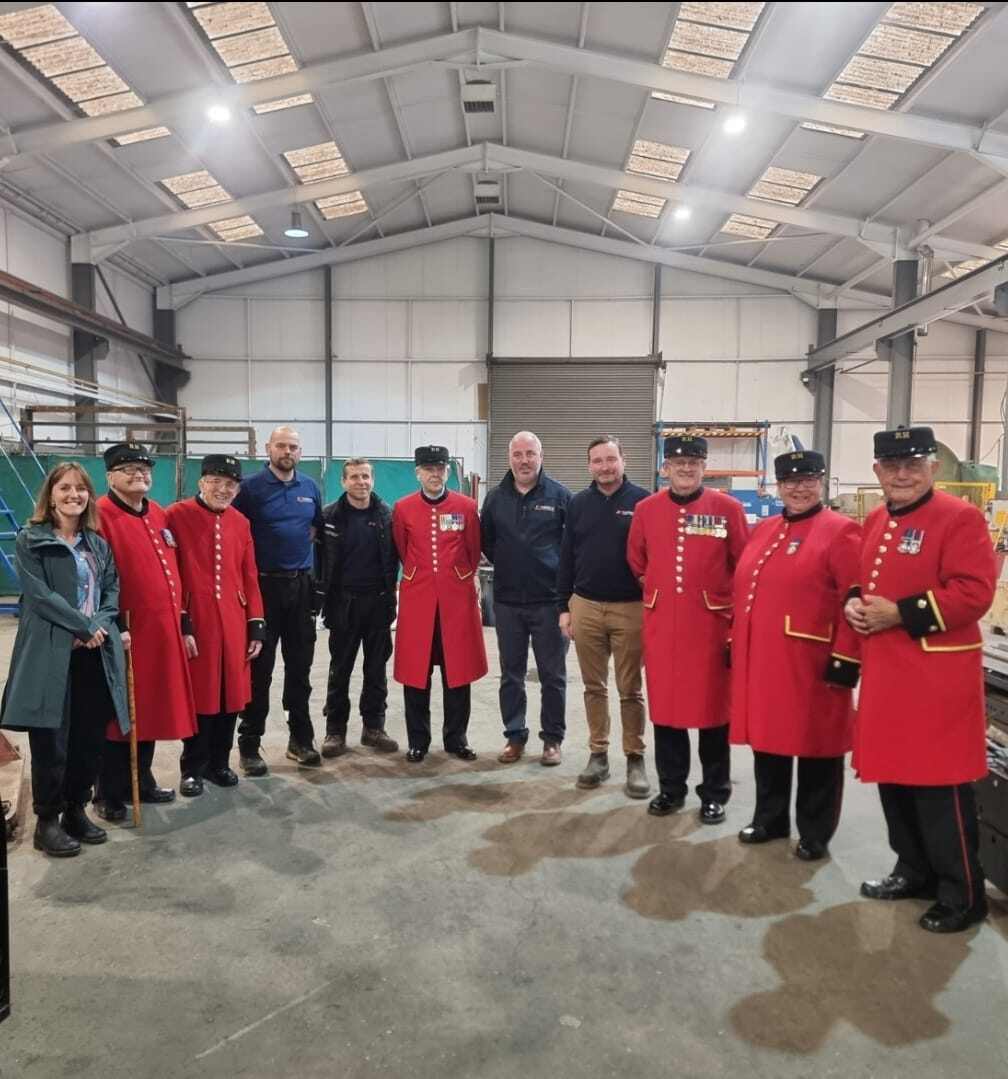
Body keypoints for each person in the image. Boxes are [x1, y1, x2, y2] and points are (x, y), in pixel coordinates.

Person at [847, 425, 996, 933]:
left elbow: (975, 593)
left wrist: (901, 613)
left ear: (932, 467)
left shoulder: (960, 518)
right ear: (877, 471)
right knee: (895, 778)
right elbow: (864, 579)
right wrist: (853, 600)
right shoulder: (875, 520)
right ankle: (913, 870)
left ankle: (963, 893)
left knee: (939, 787)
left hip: (937, 678)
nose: (903, 474)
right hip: (889, 673)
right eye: (892, 466)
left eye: (914, 463)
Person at [729, 450, 862, 858]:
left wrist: (846, 659)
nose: (799, 488)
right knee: (769, 742)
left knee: (817, 746)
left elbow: (857, 601)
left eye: (808, 479)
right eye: (790, 481)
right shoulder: (765, 529)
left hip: (814, 663)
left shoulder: (842, 531)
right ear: (778, 485)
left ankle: (815, 831)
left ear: (821, 481)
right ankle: (770, 819)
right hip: (767, 661)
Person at [0, 463, 128, 856]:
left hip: (94, 654)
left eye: (81, 489)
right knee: (51, 742)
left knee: (87, 739)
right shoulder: (31, 539)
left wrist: (100, 624)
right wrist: (82, 627)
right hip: (51, 655)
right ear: (50, 495)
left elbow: (111, 589)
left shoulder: (97, 544)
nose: (74, 495)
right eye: (65, 488)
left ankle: (76, 808)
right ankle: (48, 820)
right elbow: (39, 597)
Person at [626, 435, 748, 823]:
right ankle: (671, 788)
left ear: (704, 467)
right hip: (662, 625)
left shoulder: (727, 508)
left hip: (711, 626)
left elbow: (742, 563)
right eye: (678, 463)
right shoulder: (646, 509)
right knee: (667, 712)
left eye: (694, 462)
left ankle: (714, 793)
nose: (686, 468)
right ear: (665, 468)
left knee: (714, 713)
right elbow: (636, 559)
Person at [95, 443, 196, 820]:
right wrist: (113, 623)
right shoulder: (100, 515)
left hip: (161, 630)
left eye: (144, 468)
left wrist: (182, 621)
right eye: (128, 468)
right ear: (110, 476)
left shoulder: (156, 512)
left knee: (148, 706)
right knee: (117, 712)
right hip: (124, 630)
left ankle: (143, 778)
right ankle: (107, 792)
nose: (139, 474)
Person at [165, 455, 265, 795]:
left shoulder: (241, 522)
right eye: (216, 482)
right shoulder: (175, 516)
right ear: (201, 482)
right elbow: (170, 572)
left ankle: (219, 763)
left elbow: (249, 575)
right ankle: (192, 767)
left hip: (235, 622)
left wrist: (256, 624)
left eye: (231, 484)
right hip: (198, 620)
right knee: (201, 696)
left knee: (232, 696)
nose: (223, 489)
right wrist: (181, 618)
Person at [557, 436, 650, 797]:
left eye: (611, 459)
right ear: (589, 466)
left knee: (631, 688)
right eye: (597, 461)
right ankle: (599, 753)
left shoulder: (644, 501)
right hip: (586, 606)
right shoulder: (578, 504)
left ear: (623, 461)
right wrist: (563, 606)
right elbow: (566, 556)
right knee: (593, 687)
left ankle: (635, 756)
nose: (605, 467)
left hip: (631, 607)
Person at [233, 426, 325, 773]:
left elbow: (313, 530)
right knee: (260, 670)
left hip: (299, 588)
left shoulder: (310, 487)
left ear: (300, 453)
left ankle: (300, 740)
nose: (288, 451)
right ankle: (249, 744)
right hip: (262, 589)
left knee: (300, 669)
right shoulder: (250, 490)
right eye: (282, 445)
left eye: (294, 447)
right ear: (269, 449)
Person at [481, 431, 571, 766]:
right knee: (511, 673)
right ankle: (514, 736)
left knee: (553, 674)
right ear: (509, 458)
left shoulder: (561, 496)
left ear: (541, 455)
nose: (524, 460)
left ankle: (552, 740)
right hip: (507, 602)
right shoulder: (495, 498)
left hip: (550, 602)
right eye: (517, 454)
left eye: (530, 453)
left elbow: (572, 548)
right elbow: (487, 542)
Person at [392, 445, 487, 762]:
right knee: (416, 675)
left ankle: (456, 738)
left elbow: (472, 552)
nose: (435, 474)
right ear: (417, 472)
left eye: (440, 468)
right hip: (418, 602)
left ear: (448, 471)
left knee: (456, 673)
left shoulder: (466, 506)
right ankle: (418, 740)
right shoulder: (403, 509)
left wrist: (456, 577)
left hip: (456, 603)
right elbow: (403, 551)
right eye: (428, 468)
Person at [318, 458, 400, 757]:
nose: (360, 482)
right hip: (343, 605)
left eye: (365, 476)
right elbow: (319, 561)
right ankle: (335, 732)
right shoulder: (329, 517)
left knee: (376, 670)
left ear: (373, 480)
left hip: (379, 604)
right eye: (354, 477)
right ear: (343, 482)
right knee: (340, 670)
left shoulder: (388, 517)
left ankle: (373, 728)